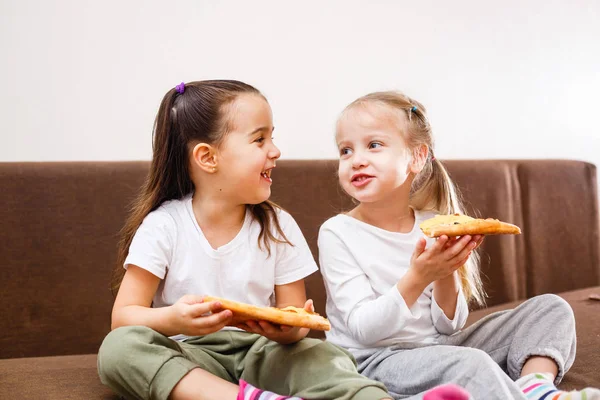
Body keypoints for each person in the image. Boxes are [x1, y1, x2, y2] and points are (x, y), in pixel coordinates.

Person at [96, 80, 392, 400]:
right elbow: (123, 318)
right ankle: (247, 398)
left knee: (321, 355)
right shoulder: (164, 226)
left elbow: (295, 322)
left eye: (272, 137)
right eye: (259, 139)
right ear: (208, 158)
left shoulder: (278, 226)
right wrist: (173, 319)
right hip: (190, 357)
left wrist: (291, 329)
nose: (275, 150)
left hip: (262, 354)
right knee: (118, 349)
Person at [318, 90, 599, 399]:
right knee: (469, 364)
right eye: (345, 150)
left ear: (417, 157)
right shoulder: (338, 232)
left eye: (373, 145)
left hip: (438, 349)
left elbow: (450, 327)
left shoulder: (433, 223)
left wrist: (446, 271)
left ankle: (535, 387)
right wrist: (419, 276)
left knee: (552, 309)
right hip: (374, 361)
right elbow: (364, 330)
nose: (356, 160)